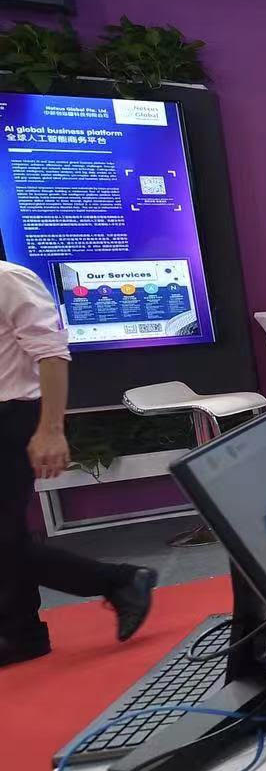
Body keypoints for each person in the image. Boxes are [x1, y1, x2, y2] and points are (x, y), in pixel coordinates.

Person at [1, 260, 154, 667]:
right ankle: (21, 634)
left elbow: (52, 355)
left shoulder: (8, 278)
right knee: (7, 537)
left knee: (3, 540)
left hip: (10, 416)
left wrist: (51, 429)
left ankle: (118, 580)